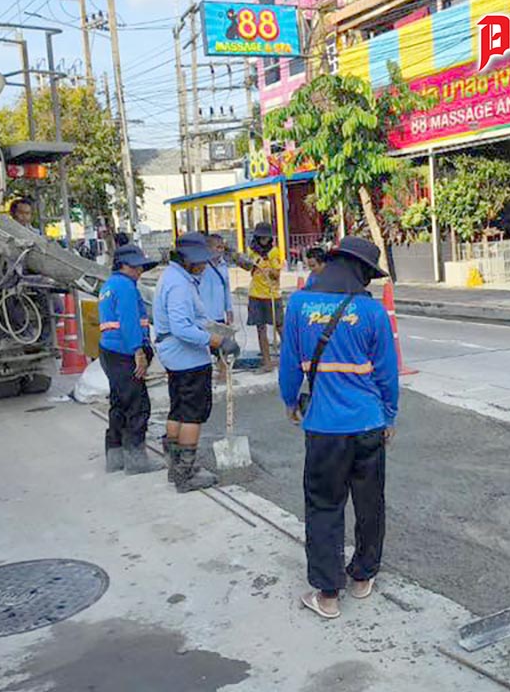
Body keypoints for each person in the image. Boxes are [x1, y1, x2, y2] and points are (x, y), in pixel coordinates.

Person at [279, 236, 399, 620]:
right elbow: (387, 372)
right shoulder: (373, 312)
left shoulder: (298, 305)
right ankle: (363, 576)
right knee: (369, 502)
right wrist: (390, 415)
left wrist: (289, 400)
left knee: (324, 506)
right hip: (368, 424)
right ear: (361, 272)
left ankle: (328, 594)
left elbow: (289, 363)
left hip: (324, 428)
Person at [154, 232, 240, 493]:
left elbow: (194, 319)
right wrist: (217, 341)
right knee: (193, 414)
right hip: (187, 357)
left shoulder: (173, 276)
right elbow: (182, 327)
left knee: (178, 409)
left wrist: (217, 330)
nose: (204, 265)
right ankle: (185, 472)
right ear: (186, 259)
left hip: (174, 355)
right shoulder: (179, 285)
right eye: (200, 261)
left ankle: (175, 466)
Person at [98, 244, 163, 474]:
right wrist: (139, 352)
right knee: (137, 406)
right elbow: (129, 322)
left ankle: (115, 457)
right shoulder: (125, 286)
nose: (140, 271)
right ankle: (136, 460)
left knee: (118, 404)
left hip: (109, 351)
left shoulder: (110, 284)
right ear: (124, 265)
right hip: (125, 353)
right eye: (136, 267)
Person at [247, 222, 283, 372]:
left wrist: (268, 266)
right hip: (256, 294)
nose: (264, 240)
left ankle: (291, 358)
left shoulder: (274, 252)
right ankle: (267, 362)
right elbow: (248, 267)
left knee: (280, 327)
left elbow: (276, 275)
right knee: (260, 328)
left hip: (272, 294)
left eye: (266, 237)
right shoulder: (251, 251)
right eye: (261, 237)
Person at [200, 234, 235, 383]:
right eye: (217, 247)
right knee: (204, 345)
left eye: (222, 247)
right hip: (204, 313)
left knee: (222, 344)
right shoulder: (201, 266)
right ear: (208, 248)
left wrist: (229, 309)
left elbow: (226, 288)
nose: (220, 250)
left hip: (218, 312)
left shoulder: (223, 265)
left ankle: (223, 374)